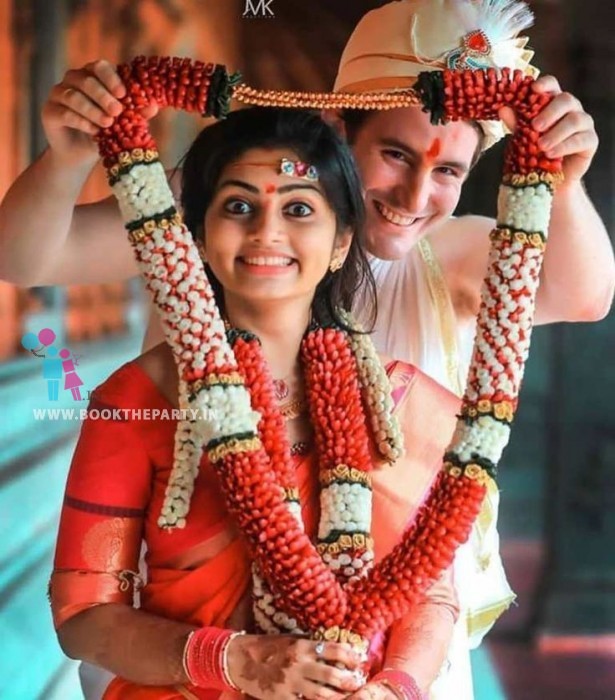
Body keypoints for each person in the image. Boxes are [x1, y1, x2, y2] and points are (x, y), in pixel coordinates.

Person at [2, 0, 613, 697]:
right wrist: (70, 154)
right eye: (392, 154)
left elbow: (586, 295)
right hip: (179, 644)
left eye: (448, 170)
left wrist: (562, 181)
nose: (415, 193)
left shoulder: (453, 261)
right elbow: (26, 254)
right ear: (335, 132)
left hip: (390, 657)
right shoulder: (217, 216)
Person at [50, 107, 463, 700]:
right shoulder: (138, 402)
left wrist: (395, 688)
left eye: (298, 209)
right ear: (198, 234)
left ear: (342, 241)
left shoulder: (398, 406)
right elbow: (83, 615)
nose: (267, 232)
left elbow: (431, 593)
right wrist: (238, 662)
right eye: (239, 206)